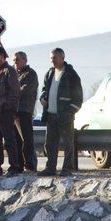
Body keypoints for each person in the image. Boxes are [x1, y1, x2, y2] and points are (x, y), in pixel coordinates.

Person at [40, 48, 84, 176]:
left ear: (62, 58)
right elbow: (44, 90)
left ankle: (67, 169)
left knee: (67, 143)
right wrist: (43, 98)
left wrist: (70, 112)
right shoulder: (49, 73)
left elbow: (78, 97)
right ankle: (50, 168)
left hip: (65, 116)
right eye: (51, 58)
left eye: (55, 58)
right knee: (50, 144)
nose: (52, 60)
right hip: (51, 115)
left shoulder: (71, 74)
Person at [0, 47, 24, 176]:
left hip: (4, 111)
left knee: (9, 139)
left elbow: (15, 92)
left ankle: (14, 166)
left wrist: (8, 108)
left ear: (2, 56)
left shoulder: (9, 71)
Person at [13, 51, 40, 172]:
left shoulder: (30, 74)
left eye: (17, 60)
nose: (15, 62)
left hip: (25, 110)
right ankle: (18, 165)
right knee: (16, 140)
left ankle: (30, 164)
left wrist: (12, 91)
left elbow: (25, 90)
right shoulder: (14, 74)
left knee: (27, 139)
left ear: (25, 60)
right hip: (14, 111)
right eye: (14, 60)